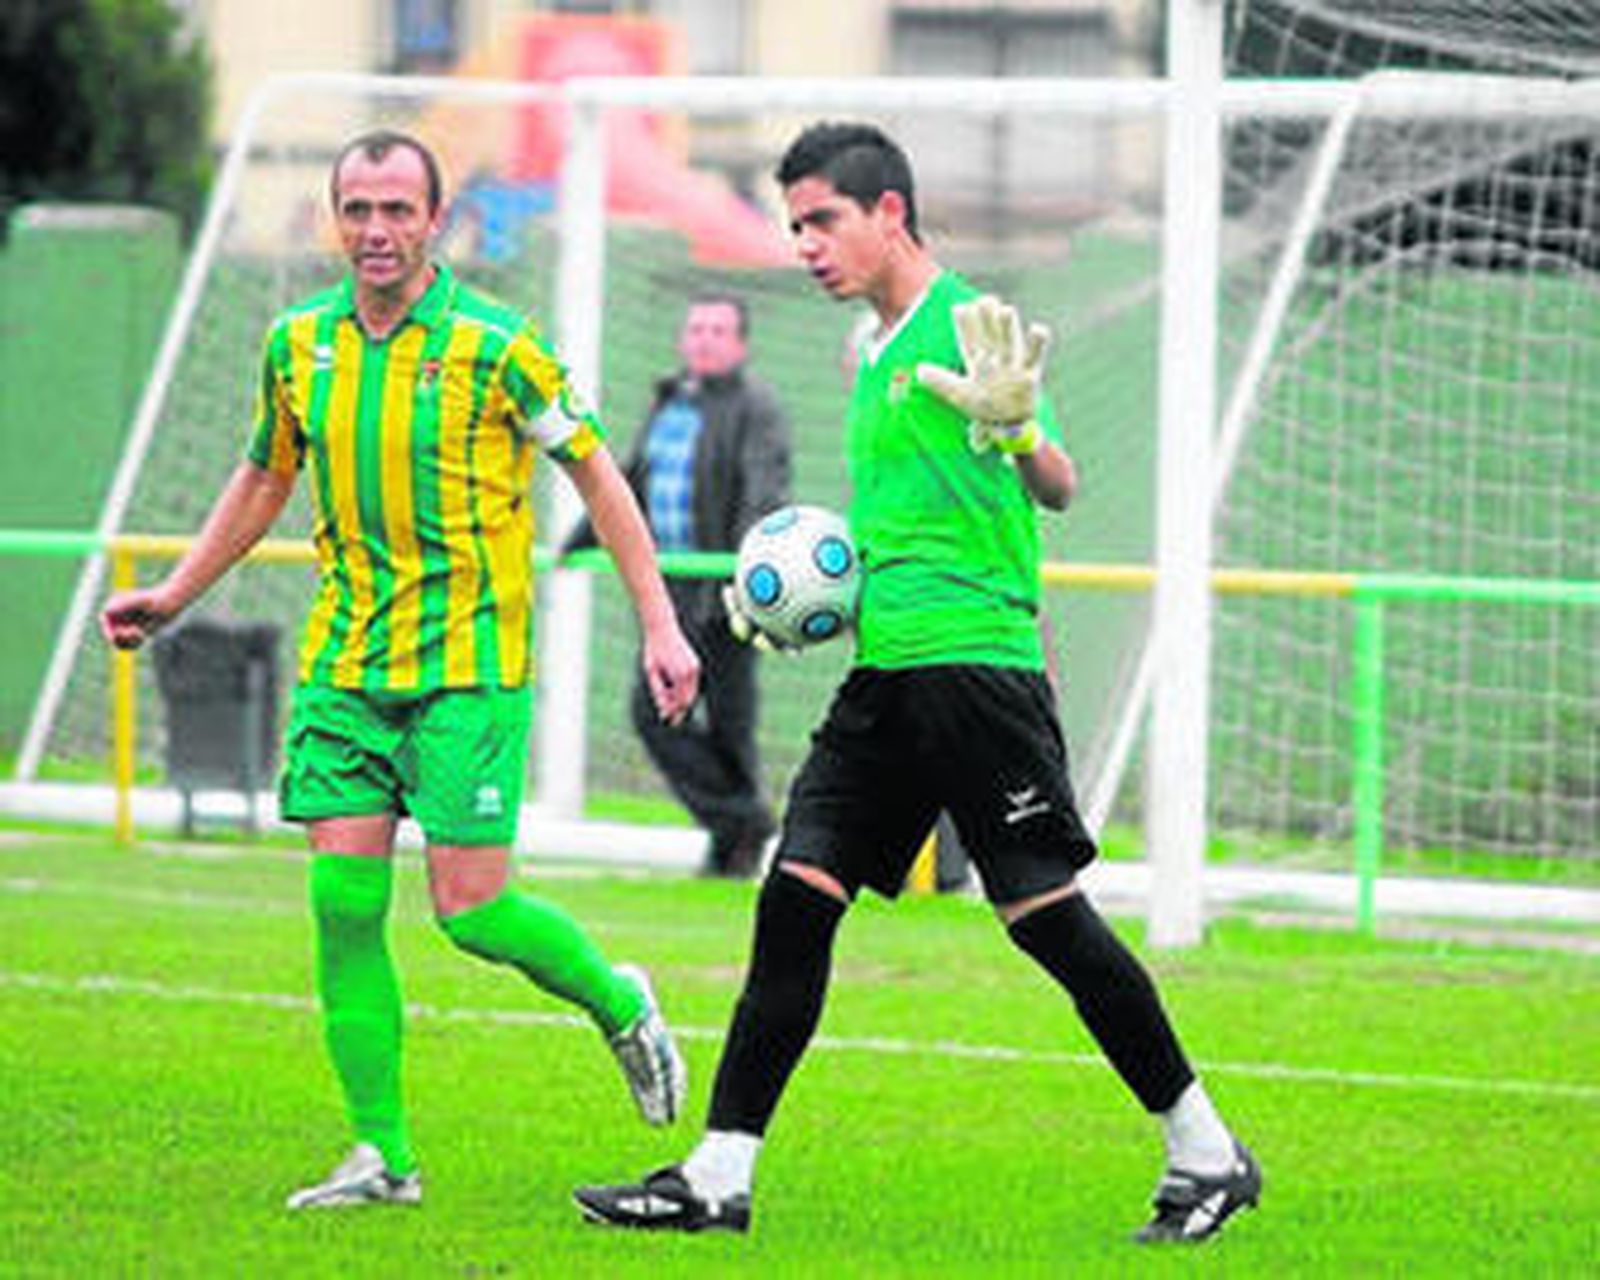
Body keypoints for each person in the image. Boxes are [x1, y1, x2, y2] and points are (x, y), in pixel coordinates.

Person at [573, 122, 1261, 1245]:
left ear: (888, 211)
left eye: (821, 220)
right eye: (793, 224)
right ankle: (716, 1174)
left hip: (975, 673)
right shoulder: (871, 348)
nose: (804, 243)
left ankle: (1206, 1147)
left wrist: (1019, 423)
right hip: (883, 670)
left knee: (1044, 918)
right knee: (794, 899)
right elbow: (897, 520)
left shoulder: (966, 325)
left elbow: (1058, 481)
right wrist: (792, 593)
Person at [99, 129, 702, 1210]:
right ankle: (382, 1154)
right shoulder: (296, 344)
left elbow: (602, 479)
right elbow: (260, 477)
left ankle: (621, 1001)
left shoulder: (499, 344)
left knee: (470, 911)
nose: (375, 230)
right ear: (337, 219)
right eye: (357, 210)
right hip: (346, 661)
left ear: (436, 220)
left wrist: (659, 623)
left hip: (467, 664)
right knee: (340, 897)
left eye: (396, 210)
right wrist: (175, 592)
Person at [564, 294, 791, 877]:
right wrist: (580, 539)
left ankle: (734, 838)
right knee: (654, 714)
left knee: (730, 722)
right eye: (696, 328)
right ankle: (741, 821)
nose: (704, 339)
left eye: (718, 330)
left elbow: (763, 491)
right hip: (672, 595)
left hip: (725, 594)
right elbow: (630, 484)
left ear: (740, 343)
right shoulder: (668, 401)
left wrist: (745, 581)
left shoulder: (756, 405)